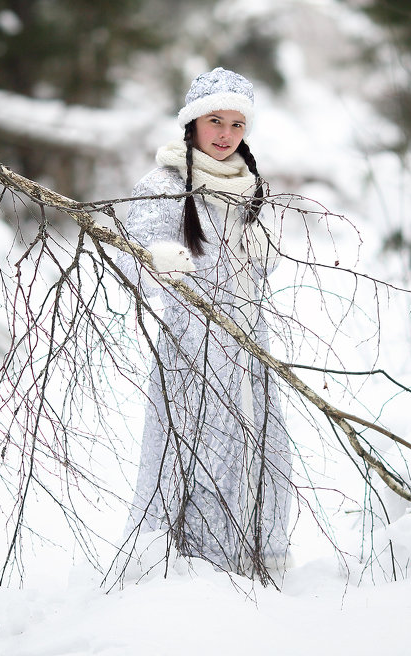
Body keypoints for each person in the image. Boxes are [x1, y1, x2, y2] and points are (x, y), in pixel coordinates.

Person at [119, 67, 292, 582]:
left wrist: (266, 251)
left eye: (237, 124)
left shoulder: (251, 186)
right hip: (192, 348)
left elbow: (259, 266)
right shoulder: (163, 184)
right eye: (215, 120)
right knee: (196, 451)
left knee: (262, 447)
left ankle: (255, 563)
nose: (225, 134)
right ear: (192, 123)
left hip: (249, 347)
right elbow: (132, 260)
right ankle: (191, 570)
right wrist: (160, 260)